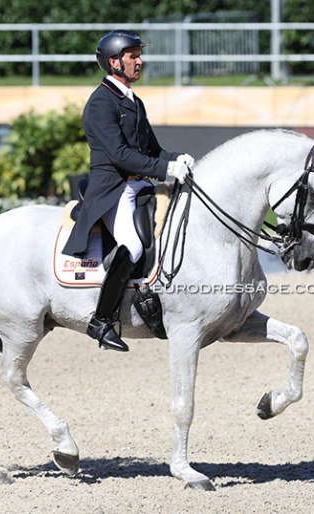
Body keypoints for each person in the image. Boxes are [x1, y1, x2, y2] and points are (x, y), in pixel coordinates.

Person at [62, 29, 194, 352]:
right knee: (133, 246)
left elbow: (152, 151)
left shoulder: (133, 101)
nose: (140, 61)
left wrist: (180, 160)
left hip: (139, 186)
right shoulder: (100, 103)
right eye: (133, 56)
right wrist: (165, 170)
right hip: (114, 189)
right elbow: (120, 155)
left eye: (139, 54)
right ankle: (102, 320)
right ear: (114, 62)